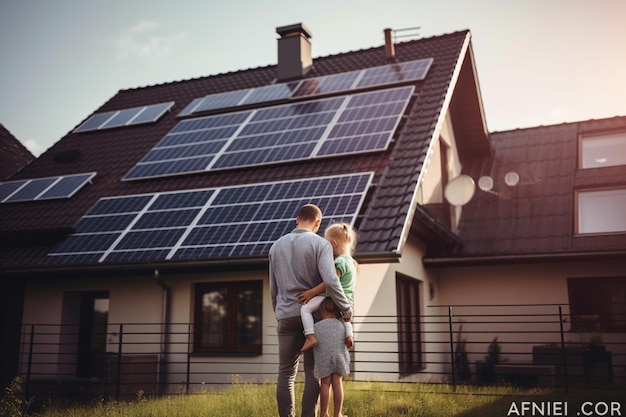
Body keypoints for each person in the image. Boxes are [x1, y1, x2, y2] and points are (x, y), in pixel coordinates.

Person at [269, 204, 353, 417]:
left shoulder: (275, 247)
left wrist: (279, 313)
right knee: (313, 375)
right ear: (317, 223)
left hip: (285, 316)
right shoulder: (321, 245)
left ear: (297, 219)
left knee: (286, 373)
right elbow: (332, 281)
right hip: (316, 319)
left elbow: (273, 288)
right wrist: (345, 308)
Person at [298, 223, 357, 352]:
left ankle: (310, 336)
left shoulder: (339, 262)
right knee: (346, 319)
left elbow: (330, 281)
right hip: (346, 300)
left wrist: (311, 293)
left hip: (331, 297)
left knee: (305, 309)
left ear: (333, 243)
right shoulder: (351, 262)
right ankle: (349, 335)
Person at [313, 296, 350, 417]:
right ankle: (337, 414)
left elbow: (313, 341)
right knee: (337, 383)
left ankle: (324, 413)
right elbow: (346, 341)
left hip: (323, 359)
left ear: (321, 311)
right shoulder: (341, 325)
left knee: (325, 384)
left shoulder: (316, 327)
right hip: (339, 358)